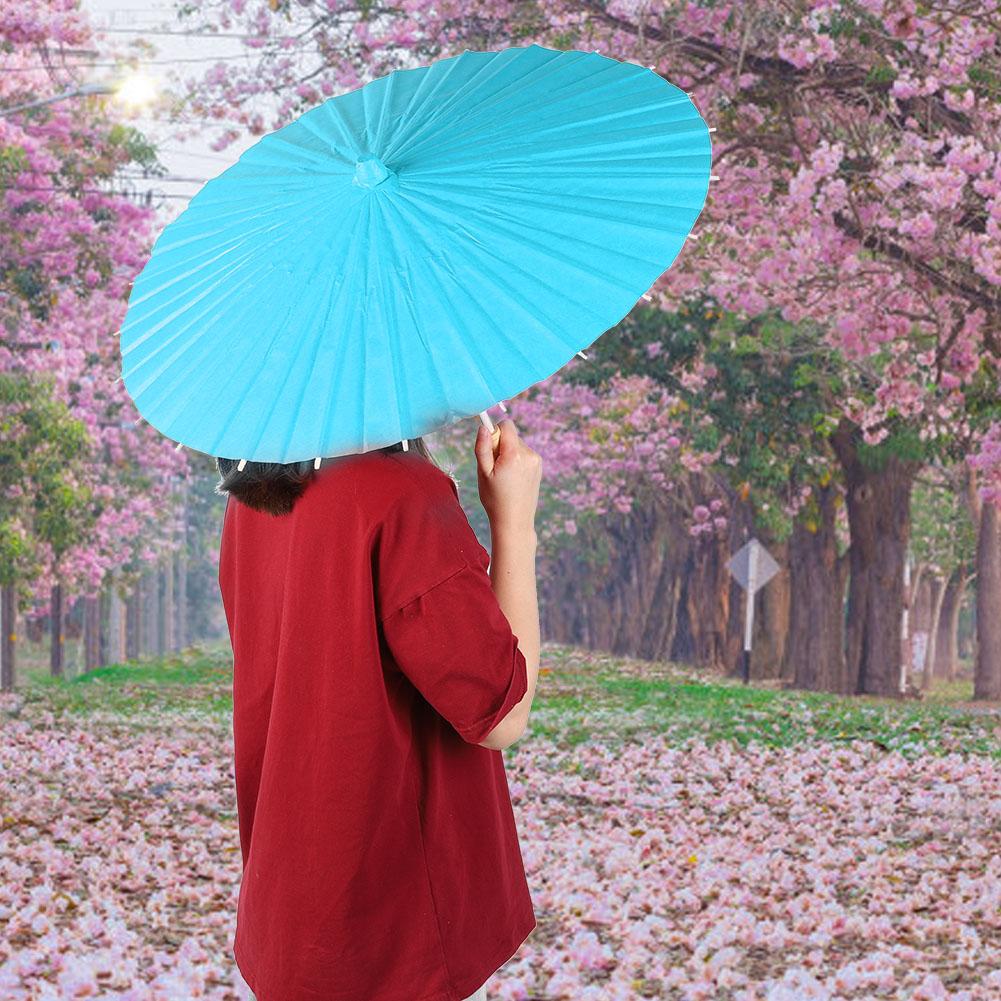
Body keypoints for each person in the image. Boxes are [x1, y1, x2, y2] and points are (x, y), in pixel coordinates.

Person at [217, 418, 542, 1001]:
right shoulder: (400, 495)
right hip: (395, 919)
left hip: (295, 899)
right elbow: (501, 713)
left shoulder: (251, 500)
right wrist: (514, 521)